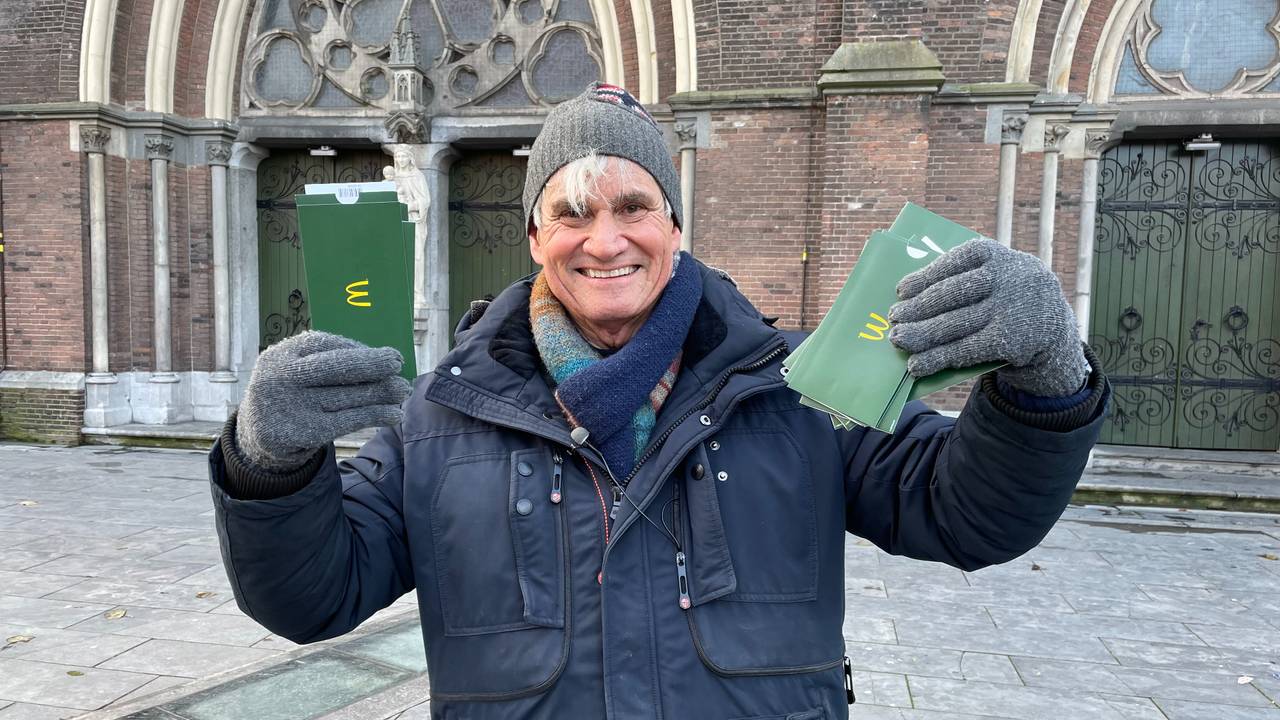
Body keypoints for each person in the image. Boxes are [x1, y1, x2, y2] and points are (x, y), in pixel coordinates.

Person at [211, 83, 1109, 719]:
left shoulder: (800, 386)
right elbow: (312, 598)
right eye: (570, 213)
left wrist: (1047, 374)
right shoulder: (441, 417)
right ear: (534, 236)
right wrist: (269, 464)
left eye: (634, 206)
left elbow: (966, 518)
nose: (605, 240)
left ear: (674, 224)